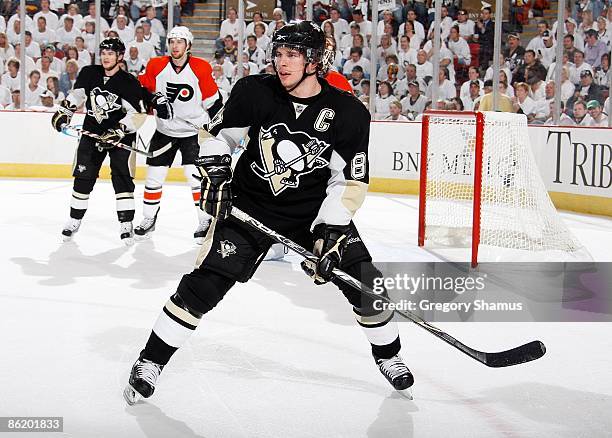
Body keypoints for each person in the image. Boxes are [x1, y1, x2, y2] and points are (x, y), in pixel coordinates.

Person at [123, 21, 413, 405]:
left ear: (314, 60)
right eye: (278, 54)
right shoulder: (254, 91)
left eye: (292, 55)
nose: (282, 62)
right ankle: (150, 362)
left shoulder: (347, 111)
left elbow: (348, 180)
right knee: (203, 286)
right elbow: (218, 138)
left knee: (368, 285)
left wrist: (330, 231)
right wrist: (217, 174)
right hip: (249, 204)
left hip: (312, 214)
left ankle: (389, 357)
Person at [50, 38, 145, 244]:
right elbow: (78, 95)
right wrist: (66, 109)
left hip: (120, 137)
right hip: (92, 131)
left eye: (111, 53)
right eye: (103, 52)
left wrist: (119, 129)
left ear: (120, 57)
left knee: (122, 179)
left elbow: (138, 115)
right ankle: (74, 219)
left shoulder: (129, 82)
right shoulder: (89, 73)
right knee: (83, 177)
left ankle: (125, 223)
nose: (106, 57)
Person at [135, 27, 223, 243]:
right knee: (153, 178)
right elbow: (141, 87)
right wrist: (154, 100)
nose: (175, 46)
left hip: (192, 133)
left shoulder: (200, 68)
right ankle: (148, 218)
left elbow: (214, 102)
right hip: (164, 132)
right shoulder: (156, 65)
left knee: (195, 179)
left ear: (188, 45)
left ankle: (204, 220)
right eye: (172, 41)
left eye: (180, 42)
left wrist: (217, 130)